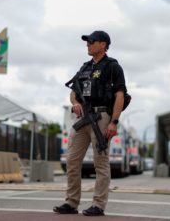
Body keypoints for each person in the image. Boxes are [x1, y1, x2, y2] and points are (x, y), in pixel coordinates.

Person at [53, 30, 127, 216]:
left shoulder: (113, 67)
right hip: (83, 118)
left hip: (102, 118)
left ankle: (99, 205)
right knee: (71, 160)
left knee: (100, 162)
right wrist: (75, 103)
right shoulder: (85, 67)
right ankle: (71, 202)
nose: (88, 44)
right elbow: (73, 92)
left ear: (103, 45)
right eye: (87, 42)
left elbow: (120, 95)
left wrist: (114, 122)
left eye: (92, 41)